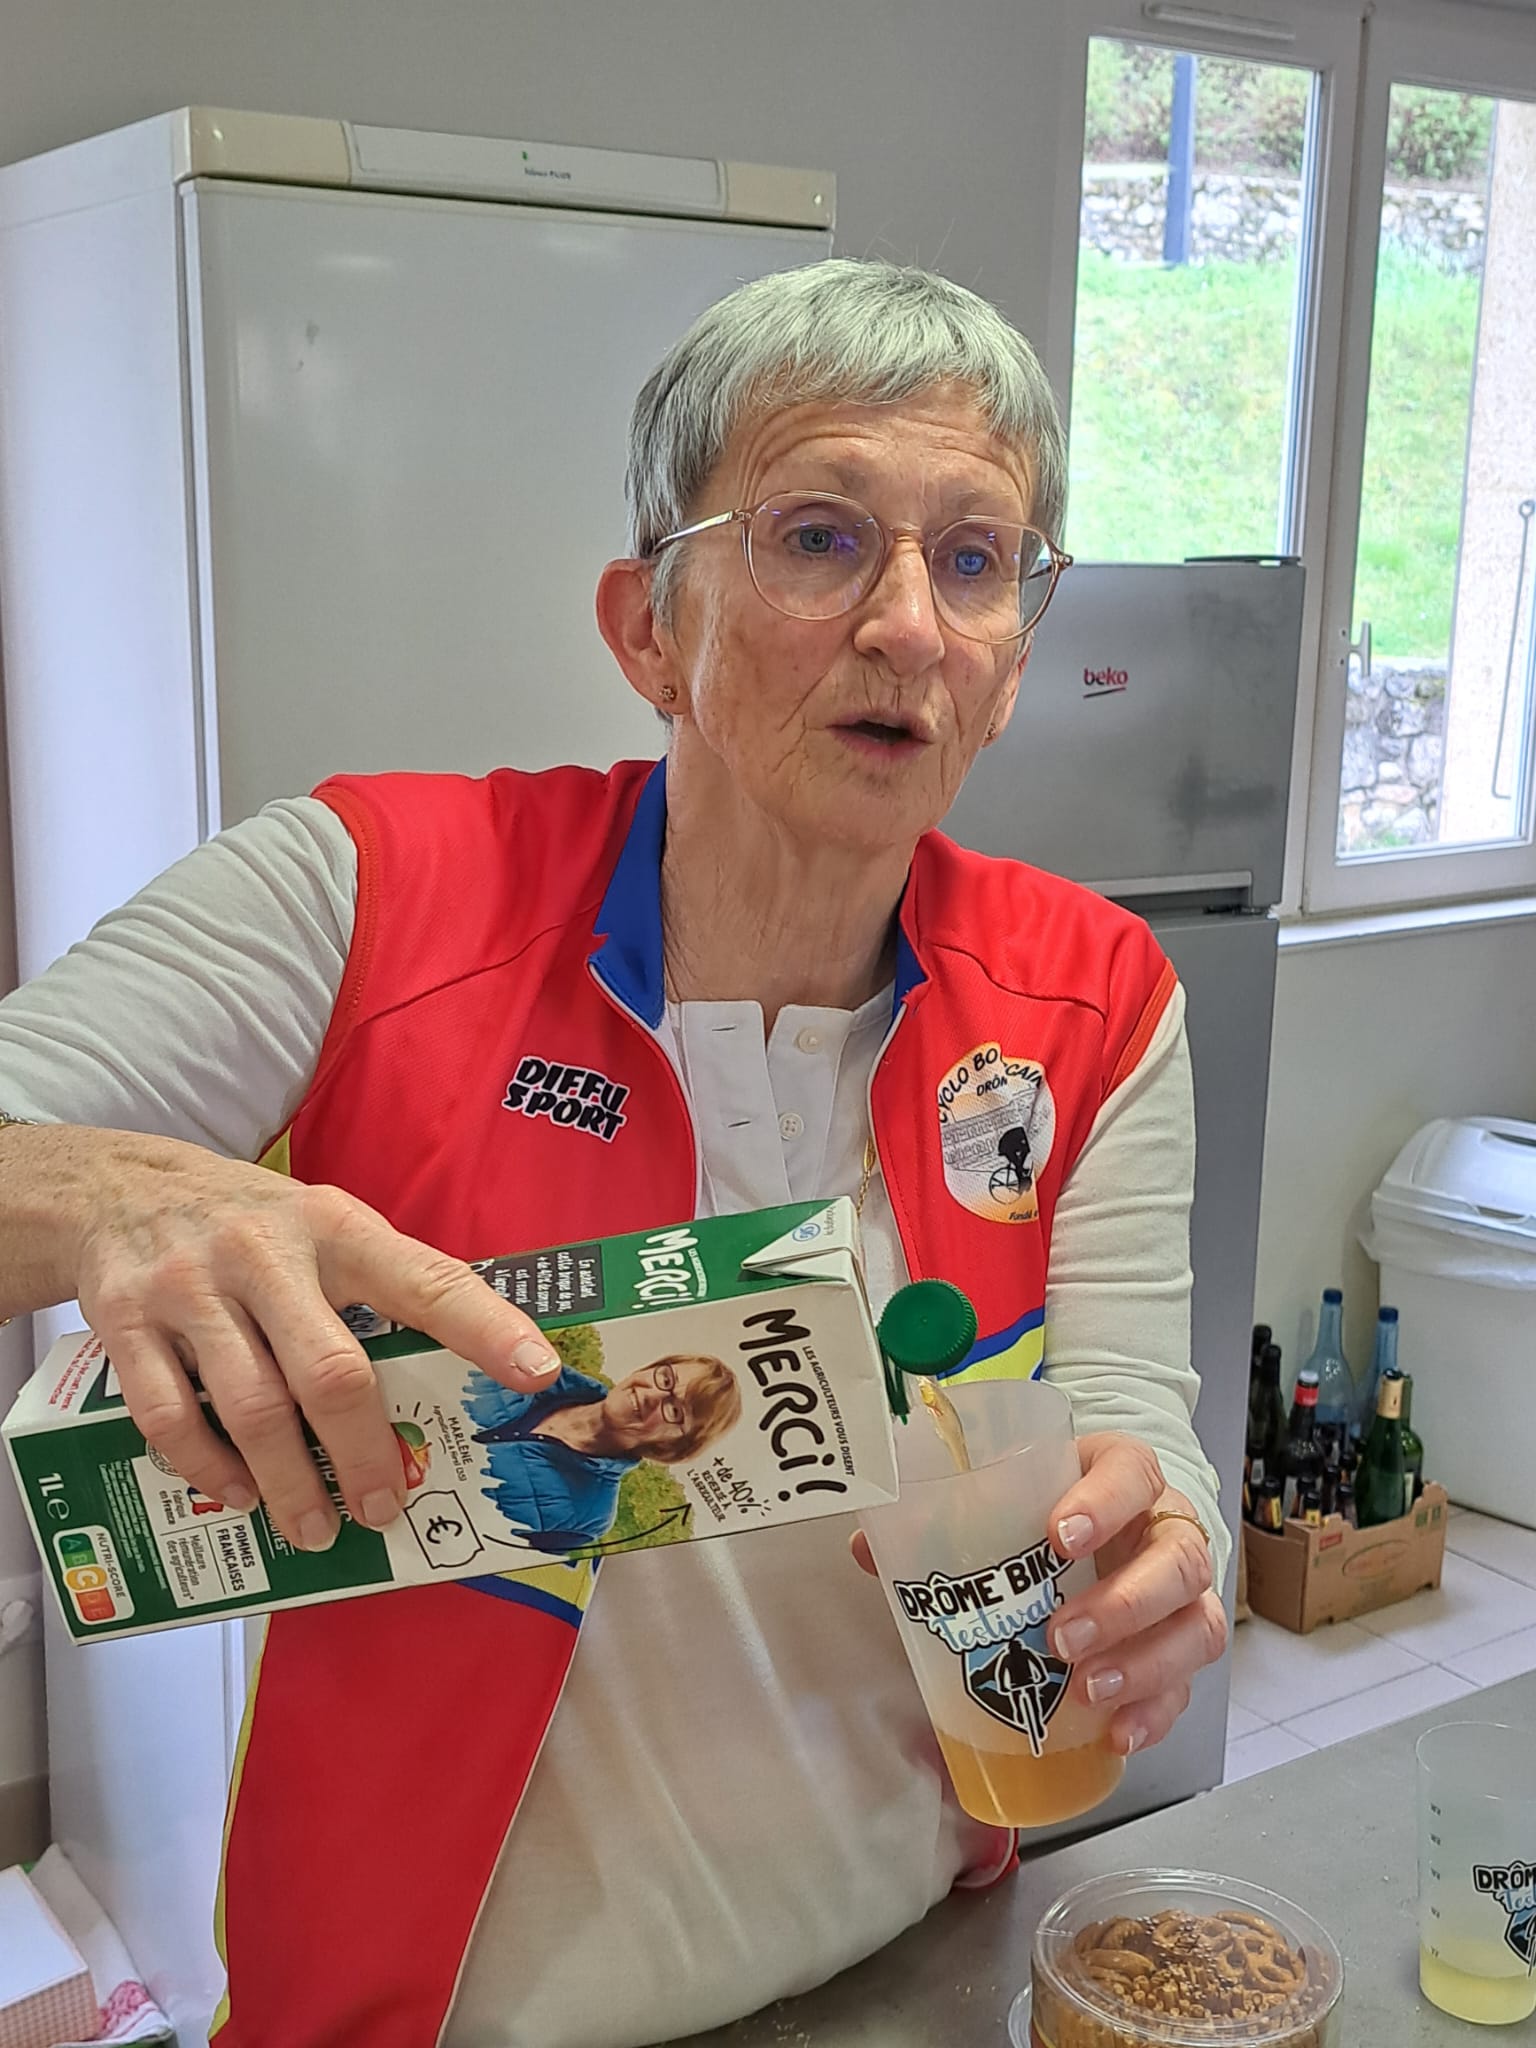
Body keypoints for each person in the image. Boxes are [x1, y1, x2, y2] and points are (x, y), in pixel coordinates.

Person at [0, 258, 1230, 2048]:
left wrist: (1161, 1547)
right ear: (649, 626)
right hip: (426, 2014)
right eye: (819, 537)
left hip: (906, 1959)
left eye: (975, 560)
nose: (909, 625)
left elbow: (1131, 1415)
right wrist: (118, 1192)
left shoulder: (1092, 995)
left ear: (1011, 668)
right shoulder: (369, 894)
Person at [465, 1351, 741, 1548]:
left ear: (672, 1445)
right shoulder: (529, 1365)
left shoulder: (585, 1518)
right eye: (665, 1379)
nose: (651, 1395)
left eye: (674, 1410)